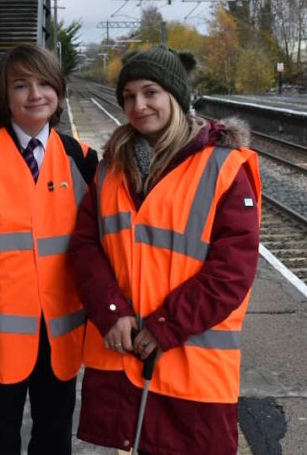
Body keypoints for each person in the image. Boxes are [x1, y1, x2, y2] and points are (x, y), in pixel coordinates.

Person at [68, 45, 261, 455]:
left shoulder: (223, 167)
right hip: (126, 355)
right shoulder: (112, 168)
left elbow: (232, 272)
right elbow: (86, 246)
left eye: (150, 92)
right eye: (129, 96)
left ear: (175, 95)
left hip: (191, 367)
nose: (138, 105)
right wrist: (112, 313)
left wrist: (163, 326)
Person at [0, 44, 98, 455]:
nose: (35, 94)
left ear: (58, 92)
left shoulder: (81, 158)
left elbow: (98, 241)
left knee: (54, 436)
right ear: (4, 97)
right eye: (21, 85)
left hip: (60, 333)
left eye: (45, 83)